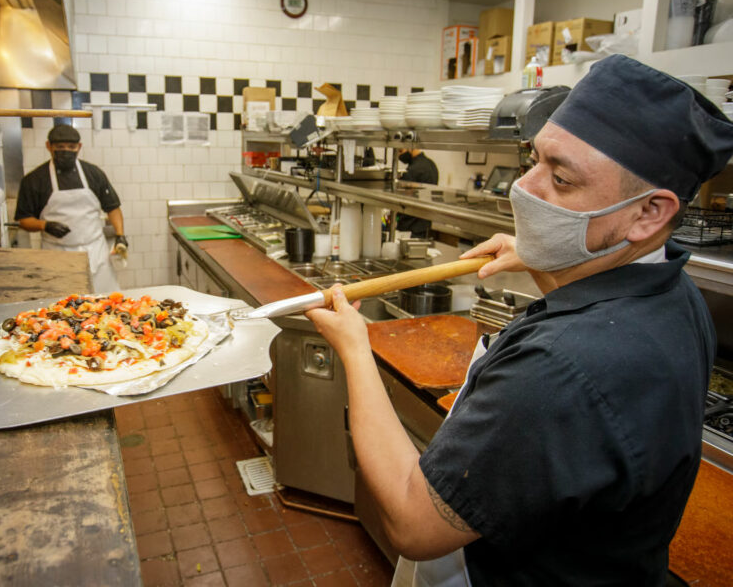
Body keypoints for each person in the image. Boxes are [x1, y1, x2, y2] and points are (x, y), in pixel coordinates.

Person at [306, 55, 733, 586]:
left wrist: (355, 346)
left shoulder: (560, 368)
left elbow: (413, 523)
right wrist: (540, 254)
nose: (525, 188)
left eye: (562, 178)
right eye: (533, 160)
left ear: (649, 213)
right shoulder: (676, 292)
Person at [15, 123, 127, 293]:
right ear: (49, 146)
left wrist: (120, 236)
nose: (66, 151)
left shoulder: (93, 173)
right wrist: (45, 225)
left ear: (79, 147)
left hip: (96, 252)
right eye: (60, 147)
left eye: (71, 147)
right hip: (57, 255)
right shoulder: (34, 180)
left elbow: (113, 208)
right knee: (63, 303)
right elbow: (24, 220)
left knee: (107, 300)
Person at [396, 148, 439, 238]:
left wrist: (396, 219)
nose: (399, 155)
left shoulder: (412, 170)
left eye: (400, 151)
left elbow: (403, 201)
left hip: (410, 226)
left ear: (410, 147)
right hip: (425, 225)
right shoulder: (431, 164)